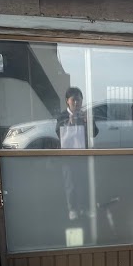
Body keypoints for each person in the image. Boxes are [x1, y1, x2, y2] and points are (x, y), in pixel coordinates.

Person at [55, 87, 99, 220]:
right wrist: (70, 123)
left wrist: (88, 121)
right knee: (70, 184)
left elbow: (95, 133)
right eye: (73, 100)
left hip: (83, 155)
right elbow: (58, 134)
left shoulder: (84, 114)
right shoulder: (62, 116)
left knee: (84, 182)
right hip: (67, 156)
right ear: (67, 101)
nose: (76, 103)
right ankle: (72, 209)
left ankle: (85, 208)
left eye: (79, 100)